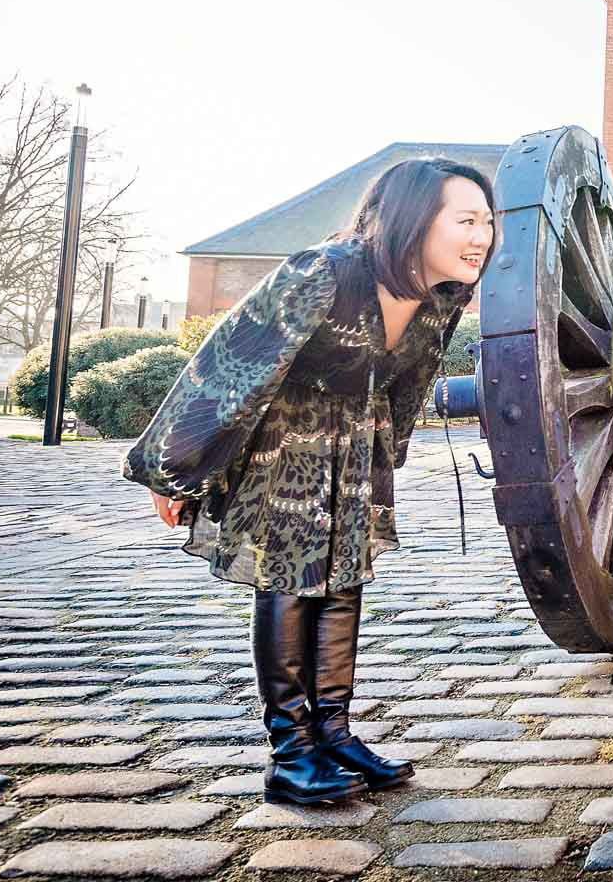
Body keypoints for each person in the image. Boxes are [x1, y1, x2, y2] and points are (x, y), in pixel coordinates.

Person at [125, 158, 494, 806]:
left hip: (352, 445)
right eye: (467, 220)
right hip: (280, 439)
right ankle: (291, 755)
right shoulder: (321, 273)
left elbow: (410, 381)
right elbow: (230, 360)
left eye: (487, 222)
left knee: (343, 578)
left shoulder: (443, 295)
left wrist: (388, 455)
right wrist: (174, 469)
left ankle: (334, 734)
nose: (483, 236)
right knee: (291, 582)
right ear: (414, 220)